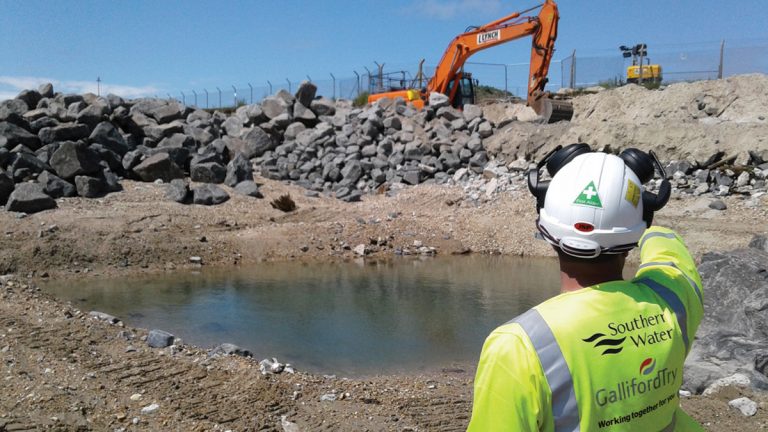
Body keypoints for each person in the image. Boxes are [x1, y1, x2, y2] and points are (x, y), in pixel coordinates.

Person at [468, 144, 704, 431]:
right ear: (642, 223)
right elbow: (670, 254)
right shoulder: (675, 298)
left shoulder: (518, 346)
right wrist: (641, 219)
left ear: (545, 218)